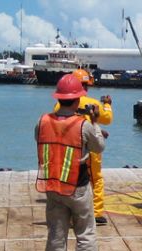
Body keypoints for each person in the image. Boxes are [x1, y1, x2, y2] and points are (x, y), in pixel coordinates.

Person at [36, 74, 105, 251]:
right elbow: (99, 147)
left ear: (58, 98)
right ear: (77, 101)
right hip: (78, 187)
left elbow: (40, 138)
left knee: (56, 235)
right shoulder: (83, 125)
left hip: (53, 185)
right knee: (85, 233)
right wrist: (95, 123)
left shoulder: (42, 121)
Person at [54, 69, 113, 225]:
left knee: (71, 177)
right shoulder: (93, 103)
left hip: (72, 147)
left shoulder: (60, 105)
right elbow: (107, 119)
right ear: (86, 85)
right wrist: (107, 104)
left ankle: (72, 212)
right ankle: (97, 212)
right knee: (96, 179)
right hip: (91, 148)